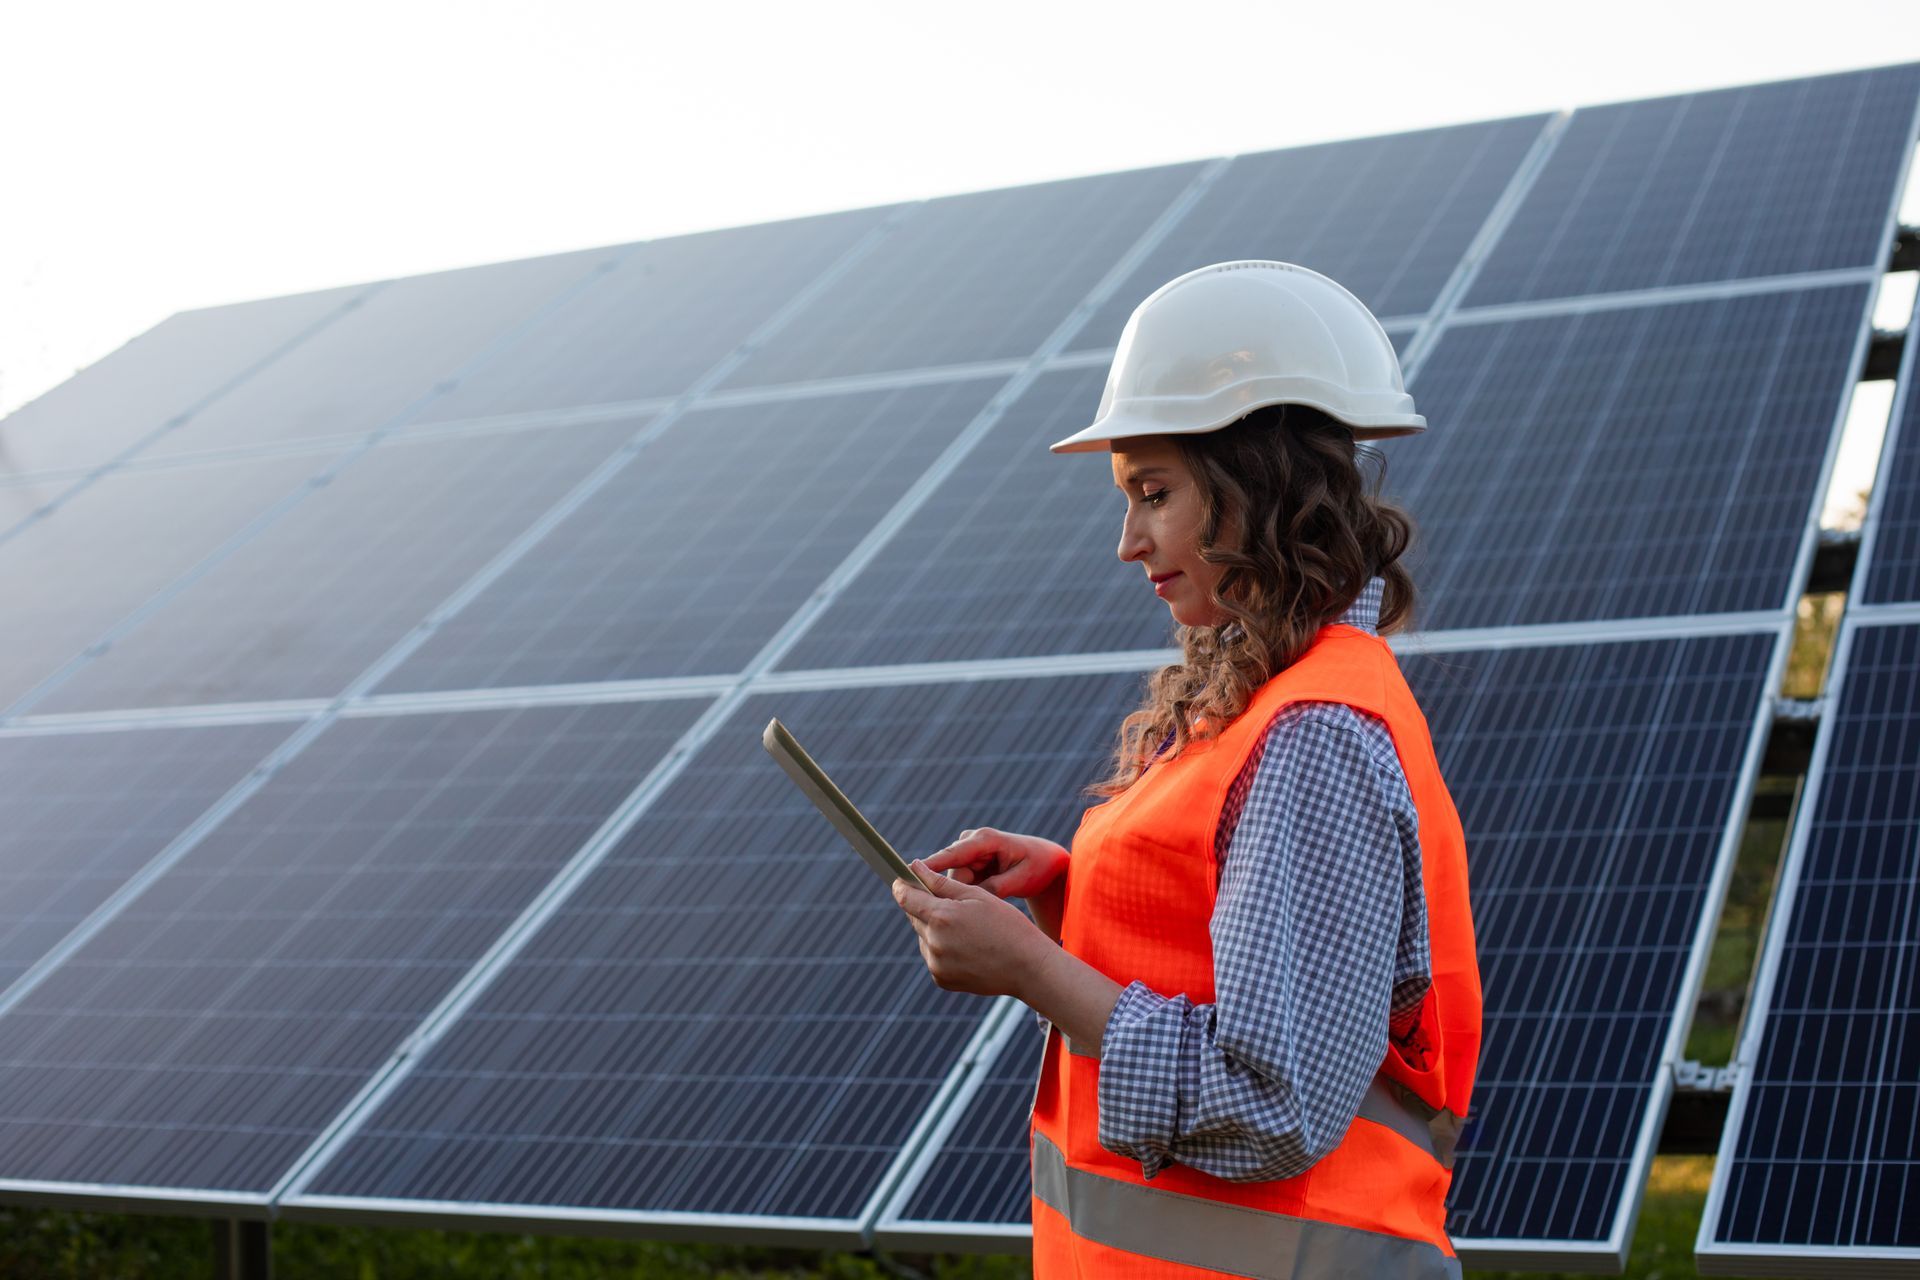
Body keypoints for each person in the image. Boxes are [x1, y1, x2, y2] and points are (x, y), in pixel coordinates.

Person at [890, 261, 1481, 1278]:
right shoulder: (1260, 700)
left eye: (1153, 493)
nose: (1128, 542)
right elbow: (1231, 933)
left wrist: (1031, 971)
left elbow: (1270, 1103)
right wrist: (1071, 891)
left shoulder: (1315, 731)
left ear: (1258, 484)